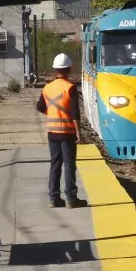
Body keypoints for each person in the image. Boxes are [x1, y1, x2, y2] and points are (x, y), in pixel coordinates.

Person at [36, 53, 88, 209]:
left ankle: (54, 198)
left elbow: (40, 107)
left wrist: (52, 112)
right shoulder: (70, 88)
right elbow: (75, 112)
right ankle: (71, 199)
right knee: (69, 165)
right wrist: (79, 133)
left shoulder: (47, 88)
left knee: (55, 165)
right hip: (67, 133)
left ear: (55, 70)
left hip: (52, 132)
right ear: (69, 69)